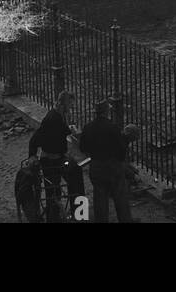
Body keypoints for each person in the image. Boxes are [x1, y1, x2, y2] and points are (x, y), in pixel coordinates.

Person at [79, 100, 133, 223]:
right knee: (120, 198)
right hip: (112, 166)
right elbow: (121, 150)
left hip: (96, 165)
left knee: (100, 199)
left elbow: (82, 148)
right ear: (107, 112)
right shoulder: (112, 127)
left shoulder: (88, 127)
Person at [28, 92, 75, 221]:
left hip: (56, 158)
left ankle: (57, 215)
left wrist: (69, 129)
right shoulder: (52, 118)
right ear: (63, 104)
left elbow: (62, 130)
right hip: (51, 160)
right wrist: (32, 155)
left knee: (55, 188)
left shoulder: (57, 116)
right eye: (70, 105)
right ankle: (56, 216)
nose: (71, 108)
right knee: (54, 189)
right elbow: (36, 139)